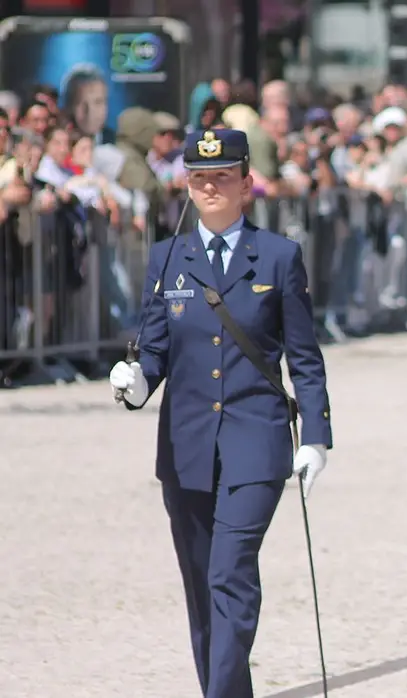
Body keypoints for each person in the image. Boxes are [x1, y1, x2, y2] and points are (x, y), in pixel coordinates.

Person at [107, 128, 332, 698]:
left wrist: (317, 435)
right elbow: (155, 350)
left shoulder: (279, 256)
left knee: (231, 574)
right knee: (202, 586)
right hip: (186, 445)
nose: (211, 186)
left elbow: (303, 357)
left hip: (256, 441)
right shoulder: (168, 258)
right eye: (200, 177)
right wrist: (134, 384)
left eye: (223, 176)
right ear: (188, 183)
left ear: (246, 184)